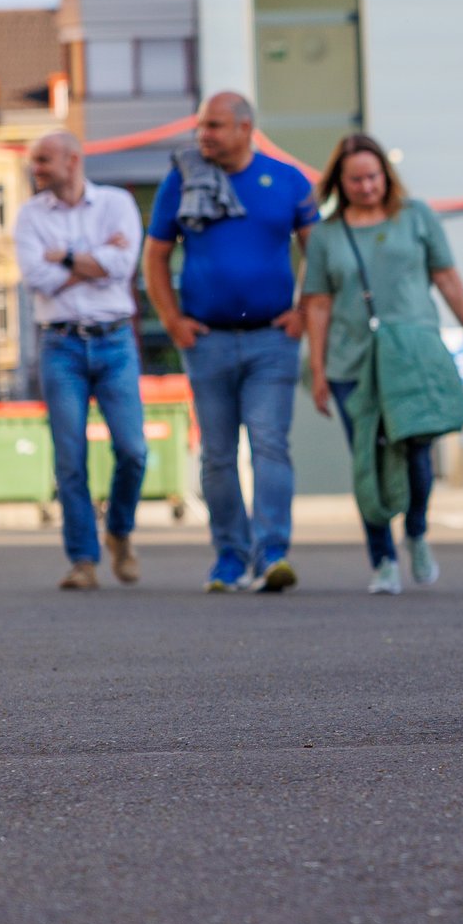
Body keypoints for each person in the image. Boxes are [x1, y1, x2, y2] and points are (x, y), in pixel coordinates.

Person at [143, 92, 318, 593]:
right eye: (201, 126)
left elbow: (318, 251)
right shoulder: (182, 179)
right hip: (207, 341)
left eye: (215, 126)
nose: (204, 136)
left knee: (269, 445)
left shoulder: (287, 181)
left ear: (246, 128)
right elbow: (154, 256)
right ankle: (229, 558)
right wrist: (172, 321)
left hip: (271, 341)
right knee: (217, 454)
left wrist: (304, 310)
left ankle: (272, 555)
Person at [303, 133, 463, 594]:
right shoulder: (326, 234)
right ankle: (382, 560)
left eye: (373, 176)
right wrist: (319, 369)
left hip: (412, 356)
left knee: (416, 454)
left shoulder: (416, 217)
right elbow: (319, 304)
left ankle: (418, 532)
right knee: (367, 459)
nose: (366, 186)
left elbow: (446, 276)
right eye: (355, 180)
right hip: (352, 364)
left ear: (386, 175)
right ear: (339, 183)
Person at [12, 131, 148, 591]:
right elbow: (38, 278)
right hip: (61, 346)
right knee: (70, 458)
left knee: (134, 449)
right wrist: (95, 260)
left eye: (44, 160)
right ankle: (83, 560)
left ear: (73, 160)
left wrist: (65, 257)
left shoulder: (117, 204)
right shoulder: (29, 216)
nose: (37, 169)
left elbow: (124, 267)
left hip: (115, 342)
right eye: (35, 162)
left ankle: (120, 532)